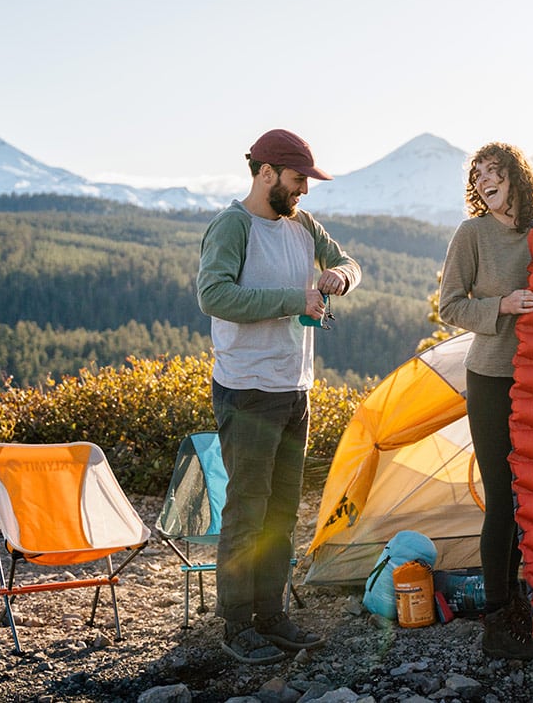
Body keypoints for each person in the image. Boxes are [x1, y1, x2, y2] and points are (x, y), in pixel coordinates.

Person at [197, 128, 361, 666]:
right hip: (246, 388)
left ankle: (271, 615)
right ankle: (236, 623)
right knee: (247, 509)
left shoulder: (303, 225)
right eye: (297, 180)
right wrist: (298, 296)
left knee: (283, 508)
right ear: (266, 173)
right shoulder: (233, 226)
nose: (305, 192)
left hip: (295, 388)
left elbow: (350, 265)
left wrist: (337, 274)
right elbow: (215, 295)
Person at [437, 142, 533, 660]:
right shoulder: (472, 234)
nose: (486, 180)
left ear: (517, 177)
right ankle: (498, 622)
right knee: (503, 502)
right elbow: (450, 305)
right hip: (491, 380)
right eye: (479, 174)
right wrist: (503, 306)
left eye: (496, 171)